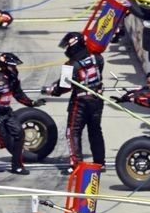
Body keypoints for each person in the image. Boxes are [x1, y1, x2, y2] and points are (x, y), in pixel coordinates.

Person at [42, 31, 104, 172]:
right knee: (95, 131)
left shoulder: (70, 65)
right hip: (98, 99)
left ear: (73, 46)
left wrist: (50, 90)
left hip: (81, 101)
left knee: (72, 132)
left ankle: (76, 164)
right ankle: (100, 162)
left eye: (67, 47)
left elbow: (62, 88)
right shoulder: (97, 57)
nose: (66, 50)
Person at [0, 52, 42, 174]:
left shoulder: (14, 79)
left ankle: (17, 166)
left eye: (15, 66)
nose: (15, 69)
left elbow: (19, 95)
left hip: (6, 113)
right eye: (12, 66)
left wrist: (32, 103)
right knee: (1, 142)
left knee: (20, 134)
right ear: (5, 66)